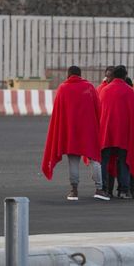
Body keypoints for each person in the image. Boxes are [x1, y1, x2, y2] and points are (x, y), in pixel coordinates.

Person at [41, 66, 107, 201]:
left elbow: (58, 113)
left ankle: (74, 190)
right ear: (80, 75)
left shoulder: (63, 88)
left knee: (73, 161)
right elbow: (98, 109)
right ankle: (99, 189)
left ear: (68, 75)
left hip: (71, 131)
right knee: (95, 159)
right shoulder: (89, 87)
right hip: (89, 130)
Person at [98, 66, 134, 199]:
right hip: (123, 133)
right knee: (124, 161)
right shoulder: (129, 91)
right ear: (124, 76)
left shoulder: (104, 90)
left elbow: (99, 112)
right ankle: (123, 190)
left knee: (104, 161)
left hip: (107, 132)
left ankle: (103, 188)